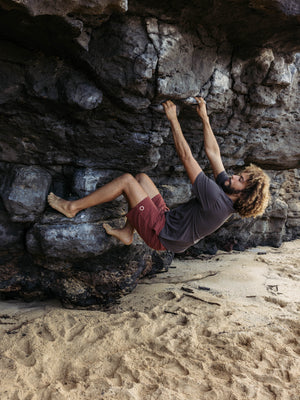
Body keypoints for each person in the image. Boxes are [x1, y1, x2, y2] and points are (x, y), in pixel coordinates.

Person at [48, 97, 270, 253]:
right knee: (142, 179)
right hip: (167, 221)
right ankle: (128, 232)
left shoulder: (217, 201)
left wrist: (173, 119)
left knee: (127, 180)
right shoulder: (227, 191)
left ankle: (72, 207)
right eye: (239, 175)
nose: (233, 177)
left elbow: (186, 157)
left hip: (162, 235)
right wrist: (205, 118)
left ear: (243, 196)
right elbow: (214, 153)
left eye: (240, 180)